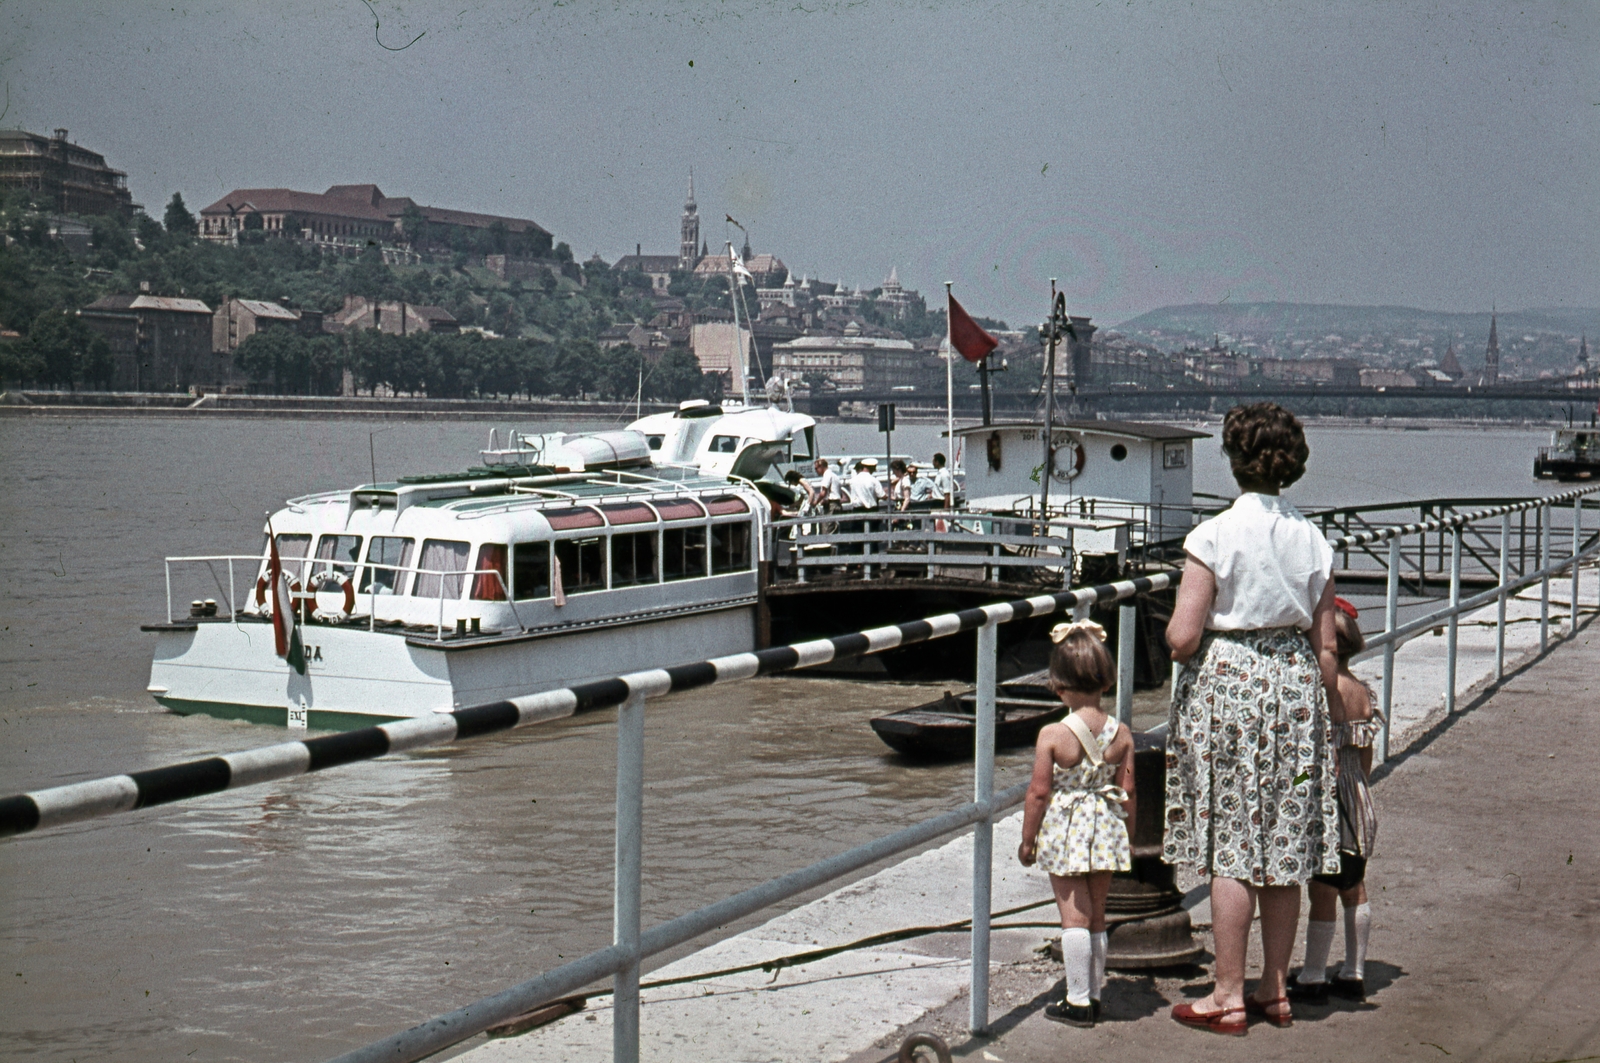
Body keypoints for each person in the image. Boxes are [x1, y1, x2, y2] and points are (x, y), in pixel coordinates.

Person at [1163, 402, 1341, 1035]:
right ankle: (1275, 988)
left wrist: (1170, 631)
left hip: (1231, 689)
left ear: (1234, 461)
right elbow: (1325, 645)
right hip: (1295, 688)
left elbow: (1184, 637)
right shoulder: (1315, 539)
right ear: (1291, 467)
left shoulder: (1212, 536)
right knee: (1285, 844)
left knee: (1233, 847)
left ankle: (1227, 994)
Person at [1019, 619, 1136, 1029]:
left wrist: (1027, 840)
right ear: (1106, 682)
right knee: (1098, 914)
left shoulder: (1052, 734)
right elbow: (1128, 790)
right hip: (1105, 826)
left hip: (1067, 830)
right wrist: (1130, 837)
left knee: (1073, 917)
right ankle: (1097, 993)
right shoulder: (1122, 734)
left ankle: (1078, 999)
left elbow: (1037, 793)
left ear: (1059, 686)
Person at [1288, 597, 1381, 1005]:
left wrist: (1297, 782)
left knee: (1321, 890)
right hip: (1357, 798)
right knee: (1355, 884)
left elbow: (1311, 758)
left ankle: (1312, 977)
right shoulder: (1362, 692)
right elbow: (1364, 759)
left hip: (1326, 799)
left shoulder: (1323, 692)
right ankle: (1355, 971)